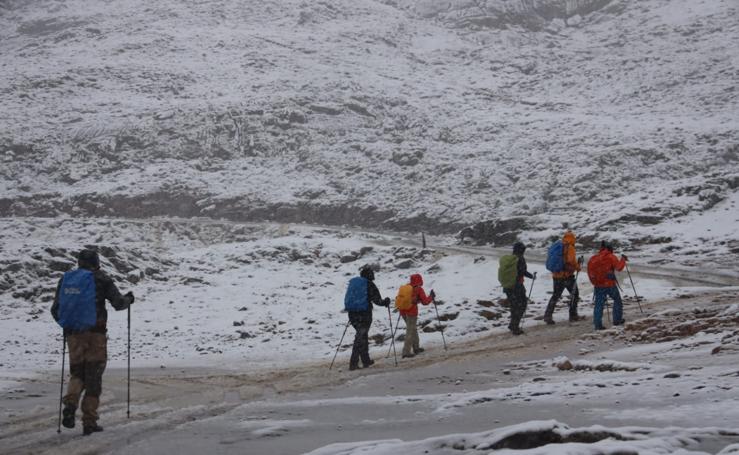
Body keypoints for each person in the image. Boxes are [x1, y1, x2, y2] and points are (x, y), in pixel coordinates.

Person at [51, 249, 134, 436]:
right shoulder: (101, 278)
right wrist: (129, 300)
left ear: (79, 262)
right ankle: (89, 422)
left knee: (77, 373)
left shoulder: (66, 280)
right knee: (94, 377)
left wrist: (69, 326)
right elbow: (118, 303)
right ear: (97, 262)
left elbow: (55, 310)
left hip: (73, 336)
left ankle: (70, 405)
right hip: (96, 336)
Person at [343, 266, 391, 371]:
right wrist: (385, 302)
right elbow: (377, 300)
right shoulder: (369, 284)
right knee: (360, 338)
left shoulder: (355, 284)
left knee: (362, 336)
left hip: (352, 314)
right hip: (364, 314)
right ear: (369, 275)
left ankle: (366, 360)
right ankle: (353, 363)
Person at [544, 231, 584, 324]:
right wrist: (578, 267)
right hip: (567, 276)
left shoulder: (558, 245)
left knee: (555, 295)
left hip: (556, 275)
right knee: (575, 294)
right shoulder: (570, 247)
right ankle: (573, 315)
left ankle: (548, 315)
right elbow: (571, 261)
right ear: (573, 238)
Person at [587, 242, 627, 330]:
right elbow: (619, 268)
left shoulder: (594, 258)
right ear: (610, 249)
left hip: (598, 285)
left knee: (599, 305)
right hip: (609, 284)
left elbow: (590, 272)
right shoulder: (610, 257)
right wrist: (623, 260)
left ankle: (598, 325)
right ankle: (617, 320)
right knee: (617, 300)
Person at [399, 273, 435, 358]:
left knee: (412, 329)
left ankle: (416, 347)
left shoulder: (406, 287)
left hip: (403, 311)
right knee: (410, 331)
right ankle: (406, 352)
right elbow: (425, 302)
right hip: (411, 312)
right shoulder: (418, 289)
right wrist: (431, 297)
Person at [505, 242, 535, 335]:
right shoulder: (520, 258)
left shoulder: (510, 258)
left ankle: (512, 324)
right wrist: (531, 276)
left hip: (508, 285)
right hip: (517, 286)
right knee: (522, 305)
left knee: (514, 305)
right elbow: (522, 271)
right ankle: (515, 327)